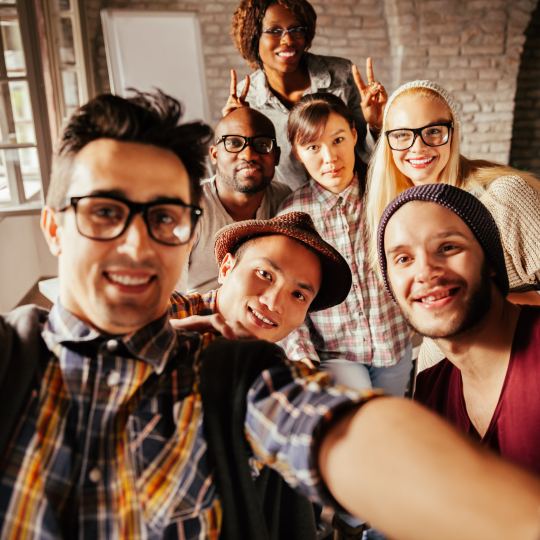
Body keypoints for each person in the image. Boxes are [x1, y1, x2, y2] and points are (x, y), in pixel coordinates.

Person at [2, 91, 540, 540]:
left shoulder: (233, 378)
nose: (138, 244)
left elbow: (344, 429)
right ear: (54, 227)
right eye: (105, 213)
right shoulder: (12, 358)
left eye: (164, 218)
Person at [365, 79, 540, 369]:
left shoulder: (504, 195)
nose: (417, 147)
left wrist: (496, 304)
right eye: (402, 135)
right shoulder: (395, 211)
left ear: (453, 132)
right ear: (388, 141)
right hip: (440, 366)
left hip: (517, 358)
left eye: (433, 131)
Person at [377, 182, 540, 476]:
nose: (425, 272)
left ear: (490, 258)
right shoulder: (431, 390)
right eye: (403, 259)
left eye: (448, 247)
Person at [277, 92, 412, 399]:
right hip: (336, 353)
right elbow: (286, 295)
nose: (329, 158)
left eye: (337, 140)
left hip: (394, 345)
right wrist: (302, 357)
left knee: (393, 422)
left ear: (354, 133)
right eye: (313, 147)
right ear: (298, 153)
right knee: (361, 423)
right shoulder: (291, 217)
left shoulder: (387, 193)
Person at [224, 0, 388, 190]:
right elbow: (251, 170)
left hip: (353, 197)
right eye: (275, 31)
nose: (288, 40)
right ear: (253, 38)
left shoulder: (340, 75)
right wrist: (234, 133)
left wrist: (376, 125)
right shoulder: (246, 98)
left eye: (296, 29)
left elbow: (367, 153)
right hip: (289, 205)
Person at [171, 211, 352, 347]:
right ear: (226, 269)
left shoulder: (272, 372)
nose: (273, 304)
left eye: (298, 295)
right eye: (265, 274)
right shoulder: (165, 311)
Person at [176, 107, 290, 294]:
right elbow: (169, 299)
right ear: (214, 155)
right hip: (203, 317)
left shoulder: (284, 200)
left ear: (276, 156)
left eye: (262, 145)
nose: (249, 155)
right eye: (234, 143)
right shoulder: (188, 207)